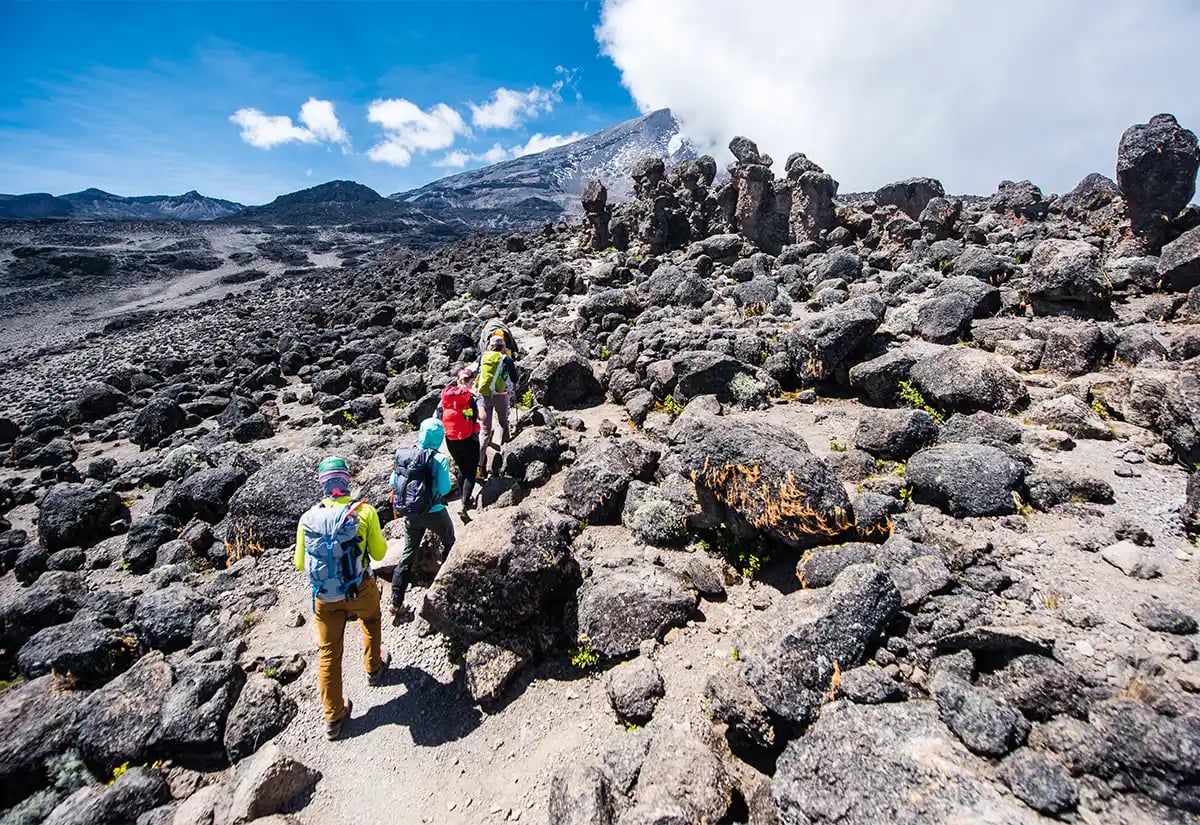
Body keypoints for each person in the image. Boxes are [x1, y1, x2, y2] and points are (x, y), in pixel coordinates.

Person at [295, 456, 388, 740]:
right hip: (360, 587)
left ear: (323, 485)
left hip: (325, 596)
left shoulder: (308, 519)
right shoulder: (365, 512)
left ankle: (333, 717)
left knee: (328, 652)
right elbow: (381, 553)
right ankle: (373, 668)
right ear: (347, 481)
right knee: (371, 619)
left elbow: (300, 563)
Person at [390, 418, 454, 620]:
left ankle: (396, 602)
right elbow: (445, 489)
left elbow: (394, 482)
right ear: (439, 437)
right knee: (450, 542)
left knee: (408, 554)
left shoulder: (405, 455)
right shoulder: (439, 459)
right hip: (434, 511)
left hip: (411, 513)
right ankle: (448, 589)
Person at [438, 365, 483, 522]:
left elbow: (438, 416)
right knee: (470, 472)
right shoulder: (471, 397)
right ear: (471, 381)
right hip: (469, 438)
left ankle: (464, 497)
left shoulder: (447, 397)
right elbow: (481, 416)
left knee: (461, 468)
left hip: (451, 440)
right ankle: (464, 505)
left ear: (457, 380)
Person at [475, 336, 518, 477]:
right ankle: (506, 457)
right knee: (503, 423)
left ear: (490, 346)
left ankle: (479, 466)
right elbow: (515, 377)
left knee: (484, 431)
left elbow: (478, 373)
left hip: (483, 396)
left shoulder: (483, 357)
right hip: (500, 394)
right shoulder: (506, 359)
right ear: (502, 346)